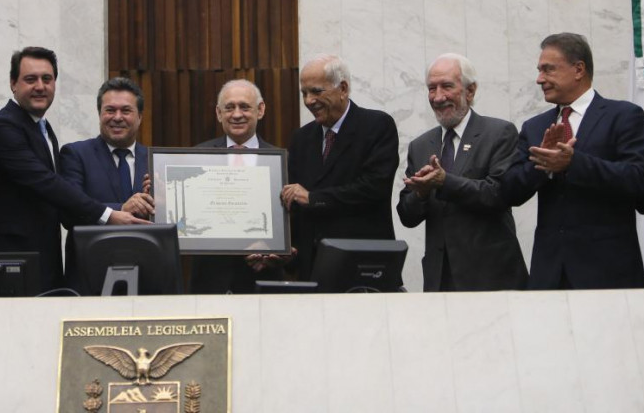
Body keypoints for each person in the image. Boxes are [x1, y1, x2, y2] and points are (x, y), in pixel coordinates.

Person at [0, 48, 141, 293]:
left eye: (47, 79)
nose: (40, 86)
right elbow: (46, 183)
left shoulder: (42, 127)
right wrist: (109, 214)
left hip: (44, 259)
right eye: (30, 79)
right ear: (13, 84)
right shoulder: (3, 127)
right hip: (13, 261)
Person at [504, 33, 644, 289]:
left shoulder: (623, 116)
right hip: (549, 275)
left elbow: (639, 180)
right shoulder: (535, 127)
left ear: (579, 69)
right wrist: (544, 168)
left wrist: (574, 163)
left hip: (608, 274)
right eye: (539, 71)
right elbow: (510, 190)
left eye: (548, 70)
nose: (540, 79)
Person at [397, 54, 527, 291]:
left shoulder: (499, 133)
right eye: (431, 88)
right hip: (440, 277)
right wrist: (421, 194)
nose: (438, 97)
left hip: (490, 275)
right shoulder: (421, 145)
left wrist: (445, 182)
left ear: (470, 91)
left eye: (447, 86)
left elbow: (498, 193)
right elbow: (407, 216)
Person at [281, 54, 399, 280]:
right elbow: (293, 204)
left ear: (343, 88)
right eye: (304, 93)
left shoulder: (376, 126)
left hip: (363, 266)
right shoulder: (301, 139)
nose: (308, 101)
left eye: (316, 91)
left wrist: (314, 198)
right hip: (313, 269)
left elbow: (374, 188)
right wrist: (289, 248)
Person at [190, 79, 285, 293]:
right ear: (218, 113)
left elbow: (291, 219)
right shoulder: (196, 156)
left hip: (263, 279)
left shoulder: (282, 159)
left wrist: (272, 248)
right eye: (229, 107)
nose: (236, 114)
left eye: (244, 106)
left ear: (260, 110)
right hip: (210, 280)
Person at [59, 77, 153, 290]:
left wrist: (159, 205)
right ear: (99, 114)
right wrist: (120, 209)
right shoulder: (75, 154)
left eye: (126, 111)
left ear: (140, 117)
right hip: (90, 279)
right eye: (110, 110)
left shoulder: (154, 160)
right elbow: (69, 212)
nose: (117, 117)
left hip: (147, 278)